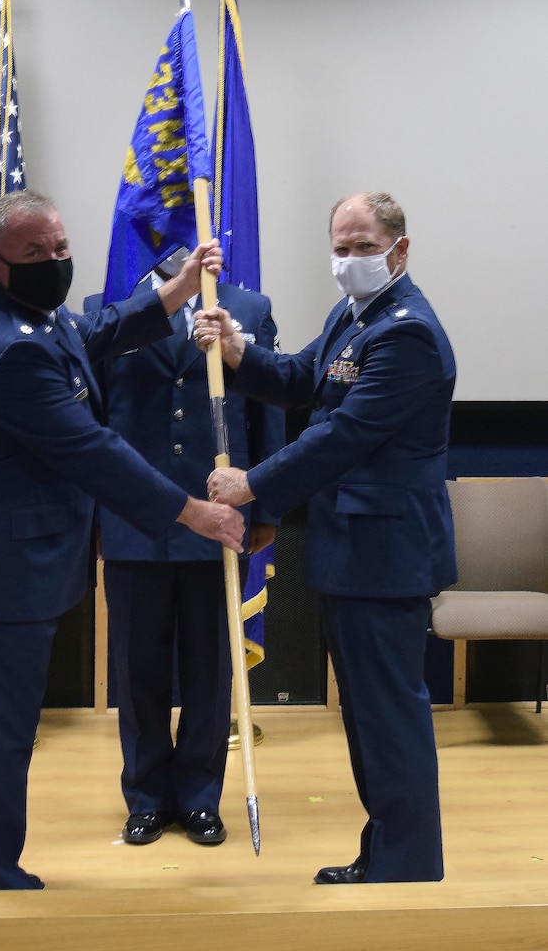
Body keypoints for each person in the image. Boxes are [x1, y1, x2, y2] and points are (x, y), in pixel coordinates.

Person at [0, 189, 244, 892]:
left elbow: (92, 333)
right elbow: (93, 450)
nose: (55, 263)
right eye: (36, 254)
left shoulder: (27, 318)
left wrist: (174, 290)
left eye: (61, 249)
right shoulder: (10, 351)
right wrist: (192, 512)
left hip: (4, 568)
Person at [197, 192, 456, 884]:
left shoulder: (406, 334)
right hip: (352, 551)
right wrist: (237, 348)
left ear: (399, 249)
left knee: (387, 715)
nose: (347, 260)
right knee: (370, 718)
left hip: (386, 553)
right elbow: (301, 380)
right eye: (339, 247)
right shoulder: (353, 317)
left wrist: (253, 485)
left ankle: (404, 863)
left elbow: (342, 435)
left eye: (363, 246)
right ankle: (389, 853)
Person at [84, 252, 285, 847]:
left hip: (218, 515)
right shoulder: (105, 315)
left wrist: (266, 505)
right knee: (136, 668)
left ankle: (200, 796)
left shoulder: (248, 309)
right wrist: (94, 513)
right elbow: (91, 424)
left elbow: (266, 407)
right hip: (132, 517)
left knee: (207, 669)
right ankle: (145, 796)